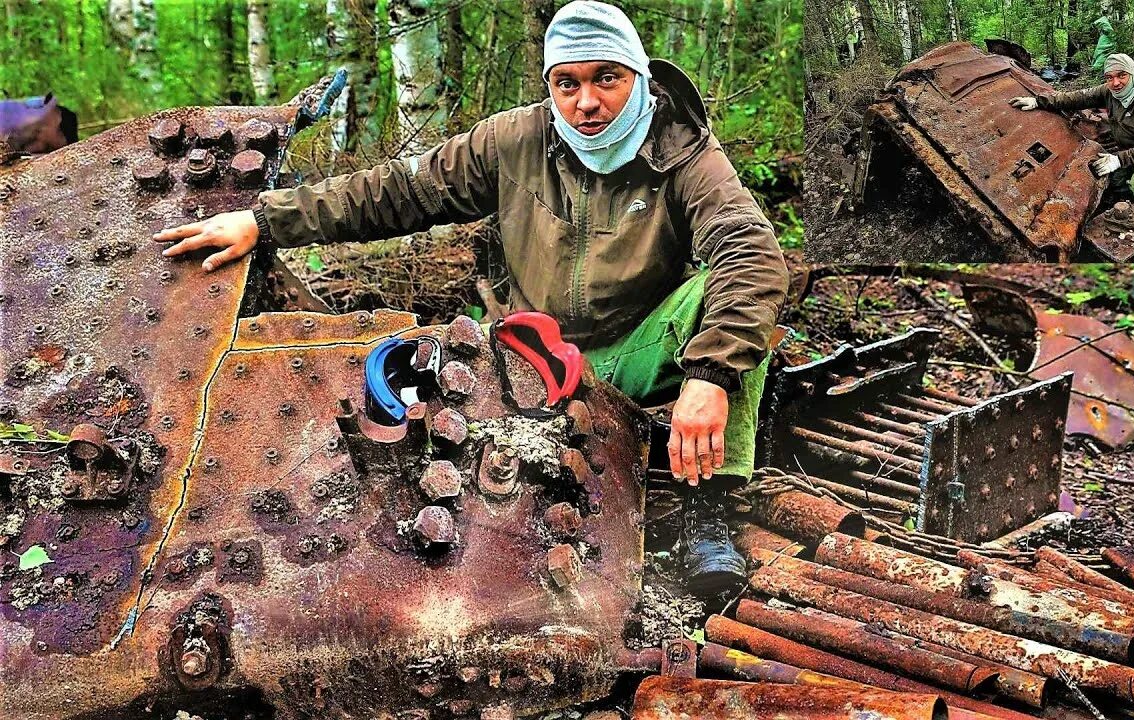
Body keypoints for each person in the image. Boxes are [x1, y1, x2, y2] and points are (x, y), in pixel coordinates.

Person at [153, 0, 788, 600]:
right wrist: (266, 220)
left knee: (732, 301)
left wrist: (708, 377)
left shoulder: (684, 152)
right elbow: (400, 191)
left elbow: (751, 250)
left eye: (607, 80)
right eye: (567, 84)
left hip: (640, 343)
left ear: (640, 76)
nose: (587, 103)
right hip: (533, 351)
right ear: (550, 86)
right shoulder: (515, 141)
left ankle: (709, 512)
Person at [1009, 53, 1134, 210]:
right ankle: (1133, 196)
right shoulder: (1109, 92)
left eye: (1121, 76)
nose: (1115, 83)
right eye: (1109, 77)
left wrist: (1119, 159)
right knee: (1113, 181)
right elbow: (1077, 97)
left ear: (1132, 74)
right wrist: (1038, 101)